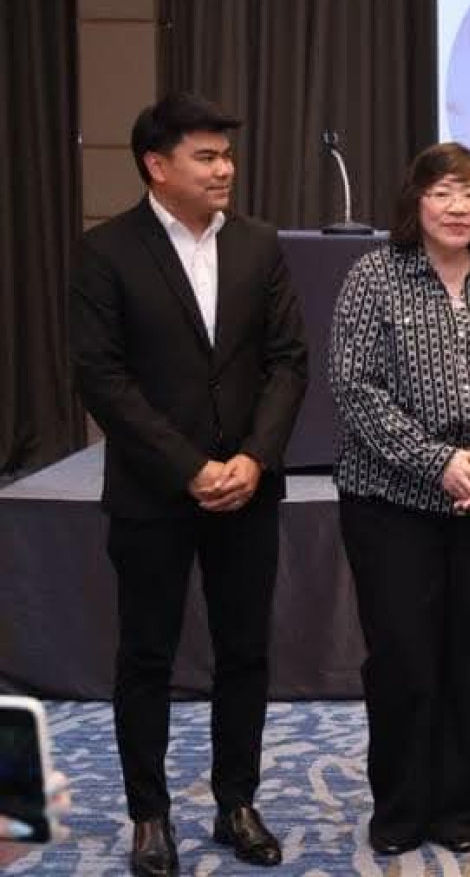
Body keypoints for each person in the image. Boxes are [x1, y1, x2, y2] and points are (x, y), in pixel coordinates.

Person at [70, 93, 307, 876]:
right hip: (153, 493)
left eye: (226, 155)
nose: (224, 169)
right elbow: (102, 379)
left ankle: (237, 802)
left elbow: (287, 361)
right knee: (147, 655)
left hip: (248, 488)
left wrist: (255, 458)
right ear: (157, 165)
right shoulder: (107, 251)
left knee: (245, 652)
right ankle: (149, 814)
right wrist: (190, 466)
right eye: (205, 156)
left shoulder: (259, 243)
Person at [329, 142, 470, 857]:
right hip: (391, 500)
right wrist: (439, 463)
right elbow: (354, 386)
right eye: (443, 193)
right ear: (415, 201)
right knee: (403, 657)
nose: (459, 207)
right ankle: (401, 806)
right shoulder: (374, 276)